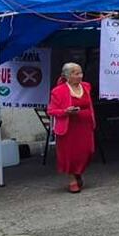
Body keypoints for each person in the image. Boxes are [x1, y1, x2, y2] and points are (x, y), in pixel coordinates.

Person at [47, 63, 95, 193]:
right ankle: (72, 179)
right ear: (68, 76)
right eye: (76, 73)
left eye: (80, 73)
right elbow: (51, 110)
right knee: (70, 155)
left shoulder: (86, 87)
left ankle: (78, 172)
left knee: (88, 151)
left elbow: (89, 105)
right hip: (69, 127)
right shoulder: (58, 91)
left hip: (85, 125)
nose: (80, 76)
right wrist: (65, 111)